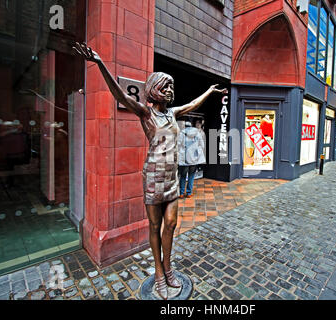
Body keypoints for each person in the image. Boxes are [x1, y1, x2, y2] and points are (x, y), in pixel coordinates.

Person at [73, 42, 227, 300]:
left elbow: (190, 104)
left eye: (172, 88)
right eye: (165, 87)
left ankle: (168, 268)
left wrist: (209, 92)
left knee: (172, 224)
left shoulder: (173, 113)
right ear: (154, 89)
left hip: (172, 178)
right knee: (154, 226)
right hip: (154, 177)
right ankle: (158, 272)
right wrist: (100, 63)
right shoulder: (146, 114)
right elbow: (121, 96)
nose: (170, 91)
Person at [178, 121, 206, 199]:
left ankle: (181, 193)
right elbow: (202, 145)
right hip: (194, 159)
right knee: (191, 176)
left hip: (185, 159)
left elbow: (178, 145)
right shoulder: (197, 133)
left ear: (185, 127)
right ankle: (189, 193)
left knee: (183, 176)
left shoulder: (182, 133)